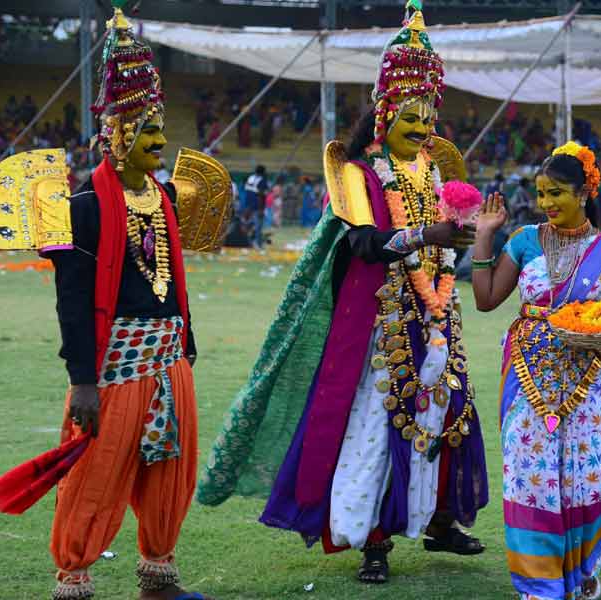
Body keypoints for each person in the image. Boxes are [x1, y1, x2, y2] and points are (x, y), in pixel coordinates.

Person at [196, 1, 488, 586]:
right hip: (380, 326)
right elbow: (364, 246)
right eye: (410, 117)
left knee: (447, 413)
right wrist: (425, 234)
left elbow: (446, 239)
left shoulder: (434, 171)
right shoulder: (358, 173)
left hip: (436, 314)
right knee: (378, 429)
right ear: (384, 114)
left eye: (429, 117)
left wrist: (462, 237)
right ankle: (373, 541)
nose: (423, 128)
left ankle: (438, 518)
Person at [0, 7, 223, 599]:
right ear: (115, 134)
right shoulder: (80, 208)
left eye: (159, 128)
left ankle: (158, 578)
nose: (159, 140)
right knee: (96, 475)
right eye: (146, 129)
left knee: (169, 470)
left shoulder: (166, 199)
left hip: (171, 360)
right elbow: (72, 301)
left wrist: (188, 348)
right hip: (114, 365)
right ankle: (74, 580)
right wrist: (83, 382)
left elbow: (173, 282)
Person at [471, 142, 601, 600]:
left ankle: (583, 574)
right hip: (527, 378)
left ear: (585, 192)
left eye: (557, 193)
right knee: (531, 479)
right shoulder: (525, 240)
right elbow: (487, 298)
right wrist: (484, 235)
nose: (546, 204)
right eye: (541, 193)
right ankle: (539, 584)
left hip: (587, 382)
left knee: (580, 478)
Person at [243, 165, 268, 247]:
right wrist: (261, 209)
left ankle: (247, 243)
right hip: (257, 207)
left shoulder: (250, 178)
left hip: (248, 206)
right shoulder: (262, 180)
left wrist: (246, 207)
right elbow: (261, 195)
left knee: (247, 226)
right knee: (258, 227)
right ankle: (258, 244)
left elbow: (248, 192)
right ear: (263, 172)